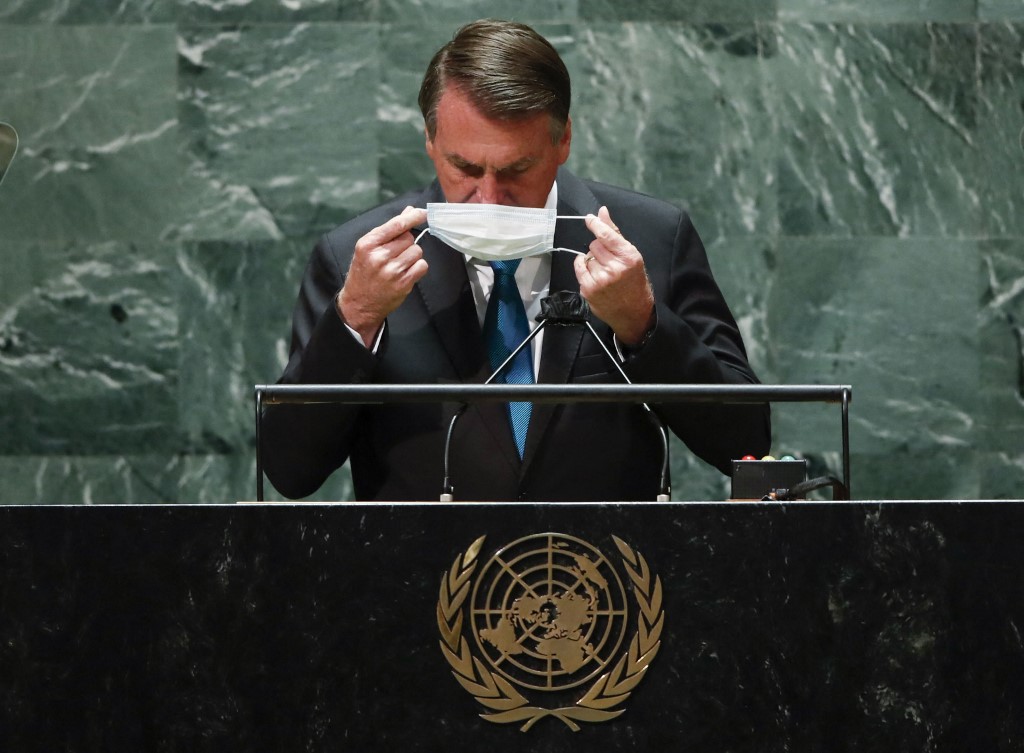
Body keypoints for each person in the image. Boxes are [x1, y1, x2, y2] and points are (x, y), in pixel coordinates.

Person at [262, 19, 770, 502]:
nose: (489, 197)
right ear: (430, 141)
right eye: (464, 167)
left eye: (516, 169)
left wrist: (645, 325)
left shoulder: (651, 238)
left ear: (563, 140)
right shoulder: (357, 256)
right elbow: (291, 472)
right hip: (422, 578)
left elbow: (744, 443)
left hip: (606, 580)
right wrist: (356, 319)